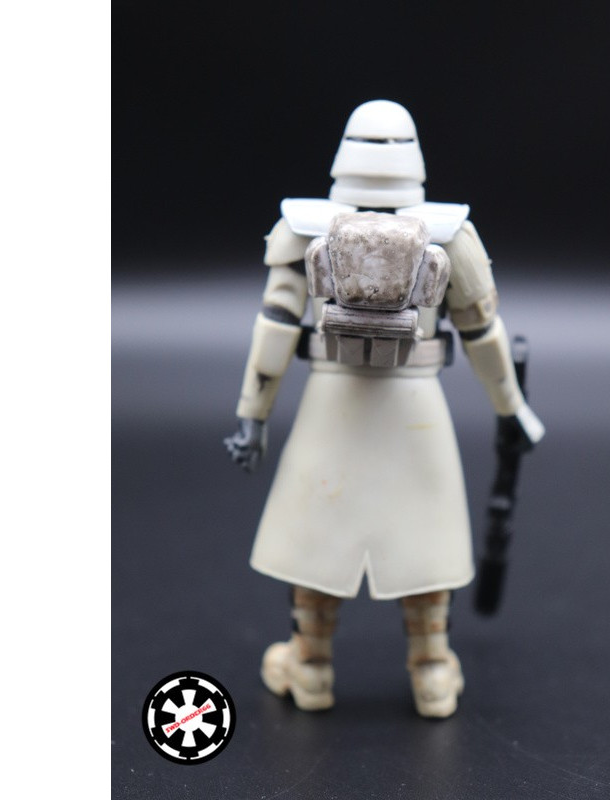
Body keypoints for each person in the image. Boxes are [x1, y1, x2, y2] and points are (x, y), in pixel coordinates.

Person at [225, 100, 544, 718]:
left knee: (317, 529)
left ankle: (310, 664)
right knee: (425, 533)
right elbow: (483, 331)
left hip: (332, 398)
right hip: (416, 403)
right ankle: (432, 670)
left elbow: (275, 327)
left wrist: (252, 416)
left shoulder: (304, 228)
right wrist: (512, 409)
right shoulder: (451, 232)